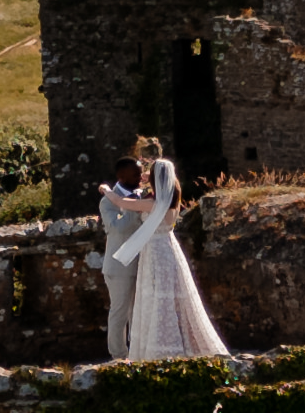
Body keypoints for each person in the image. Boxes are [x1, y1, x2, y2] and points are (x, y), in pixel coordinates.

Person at [108, 152, 228, 361]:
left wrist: (105, 189)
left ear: (155, 180)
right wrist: (153, 178)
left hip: (154, 252)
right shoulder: (171, 201)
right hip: (169, 249)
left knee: (157, 297)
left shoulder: (152, 204)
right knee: (173, 297)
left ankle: (161, 349)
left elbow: (122, 202)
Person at [92, 145, 157, 358]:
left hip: (141, 262)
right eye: (136, 172)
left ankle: (138, 353)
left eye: (141, 171)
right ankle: (118, 356)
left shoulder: (142, 195)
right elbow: (117, 228)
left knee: (137, 312)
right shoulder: (107, 202)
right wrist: (134, 205)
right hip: (119, 265)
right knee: (119, 311)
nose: (140, 175)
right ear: (121, 175)